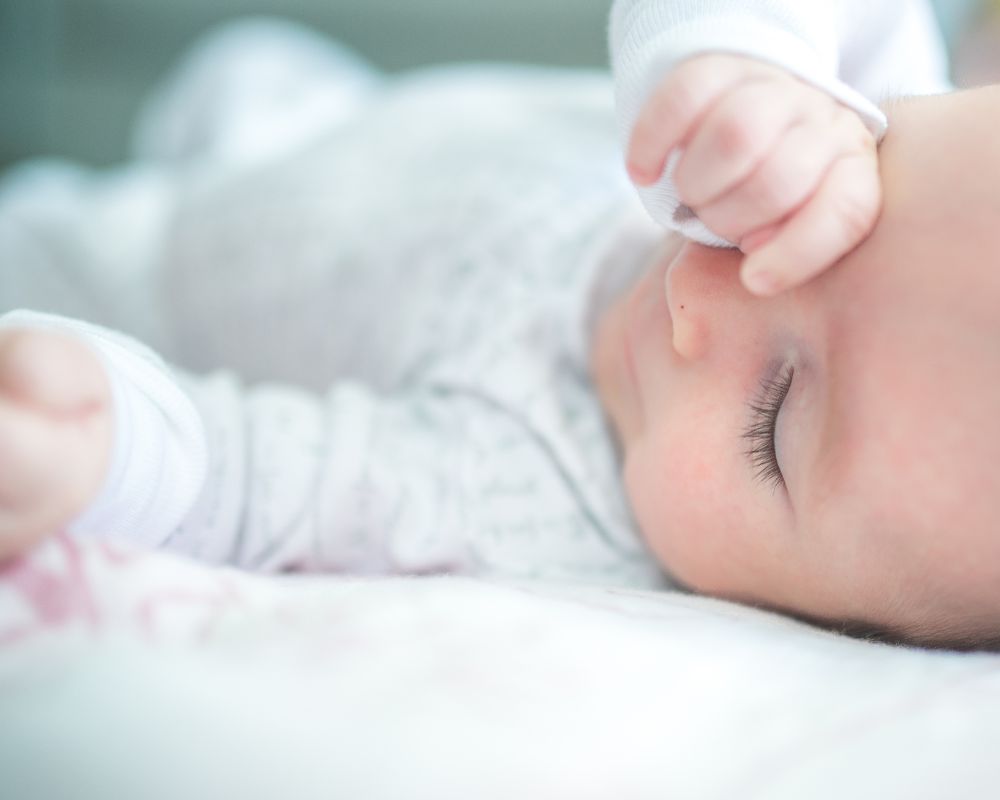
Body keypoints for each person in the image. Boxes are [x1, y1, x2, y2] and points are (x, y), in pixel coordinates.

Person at [1, 3, 992, 648]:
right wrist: (751, 70)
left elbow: (261, 483)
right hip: (348, 136)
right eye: (819, 206)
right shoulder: (856, 127)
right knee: (261, 92)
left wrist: (108, 446)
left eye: (769, 417)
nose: (699, 295)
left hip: (158, 261)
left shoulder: (525, 504)